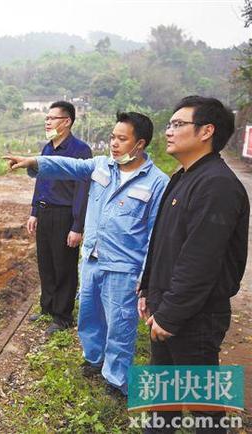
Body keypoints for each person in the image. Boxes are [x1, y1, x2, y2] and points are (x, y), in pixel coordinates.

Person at [5, 112, 169, 396]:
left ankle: (117, 379)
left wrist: (146, 278)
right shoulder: (101, 166)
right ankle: (94, 359)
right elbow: (69, 166)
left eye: (122, 139)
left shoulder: (156, 183)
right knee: (90, 316)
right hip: (93, 258)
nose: (114, 144)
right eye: (112, 137)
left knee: (120, 325)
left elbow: (156, 235)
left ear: (140, 143)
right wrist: (34, 162)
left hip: (124, 267)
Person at [139, 96, 248, 433]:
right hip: (168, 306)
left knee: (206, 413)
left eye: (177, 124)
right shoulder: (184, 177)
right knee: (161, 404)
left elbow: (200, 259)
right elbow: (163, 242)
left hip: (195, 316)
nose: (168, 131)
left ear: (207, 131)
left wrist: (171, 314)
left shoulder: (217, 185)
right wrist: (147, 288)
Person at [27, 101, 92, 336]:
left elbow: (82, 190)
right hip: (45, 212)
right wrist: (34, 211)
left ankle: (62, 316)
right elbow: (41, 181)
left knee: (64, 264)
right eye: (47, 118)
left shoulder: (80, 150)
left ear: (67, 122)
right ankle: (48, 307)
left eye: (53, 118)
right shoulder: (47, 149)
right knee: (45, 263)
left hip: (64, 214)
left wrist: (77, 225)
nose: (48, 122)